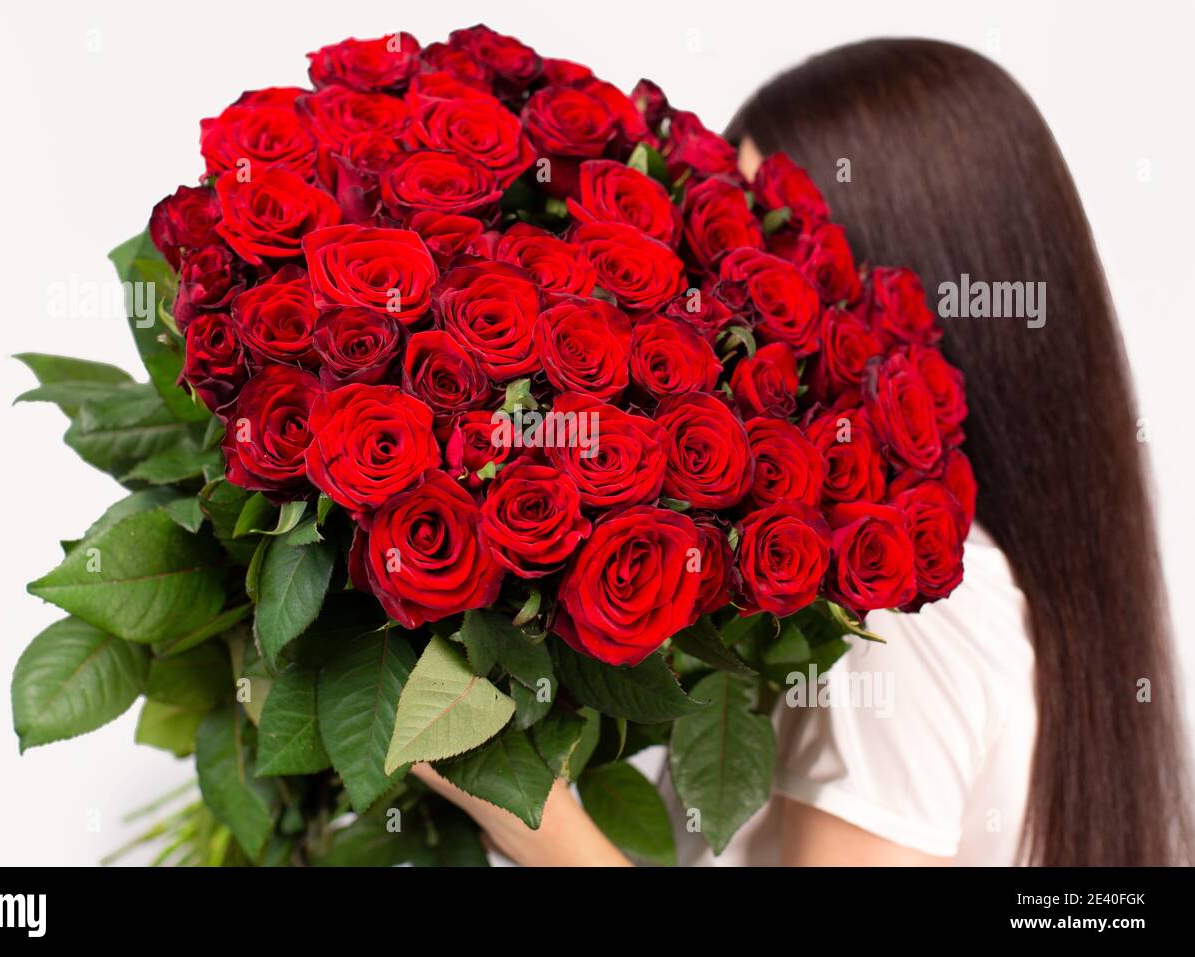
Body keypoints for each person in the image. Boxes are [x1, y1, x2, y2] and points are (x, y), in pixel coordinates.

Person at [414, 38, 1192, 866]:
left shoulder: (907, 625)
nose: (724, 288)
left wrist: (528, 819)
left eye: (769, 243)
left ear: (892, 270)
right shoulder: (989, 594)